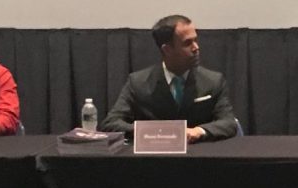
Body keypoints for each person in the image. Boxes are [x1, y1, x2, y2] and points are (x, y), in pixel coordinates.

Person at [101, 14, 237, 142]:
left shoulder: (213, 81)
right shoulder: (138, 82)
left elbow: (229, 123)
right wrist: (155, 132)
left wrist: (198, 131)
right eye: (187, 43)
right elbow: (111, 123)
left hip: (199, 159)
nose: (196, 47)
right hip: (155, 160)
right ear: (167, 49)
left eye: (195, 40)